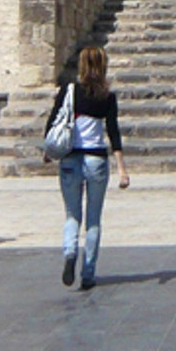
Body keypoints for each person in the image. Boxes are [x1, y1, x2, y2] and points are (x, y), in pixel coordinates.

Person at [44, 45, 129, 290]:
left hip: (70, 158)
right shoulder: (107, 96)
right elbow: (113, 132)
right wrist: (122, 169)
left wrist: (48, 151)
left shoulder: (69, 91)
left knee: (72, 214)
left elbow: (53, 120)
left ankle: (70, 251)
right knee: (93, 219)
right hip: (96, 159)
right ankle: (88, 273)